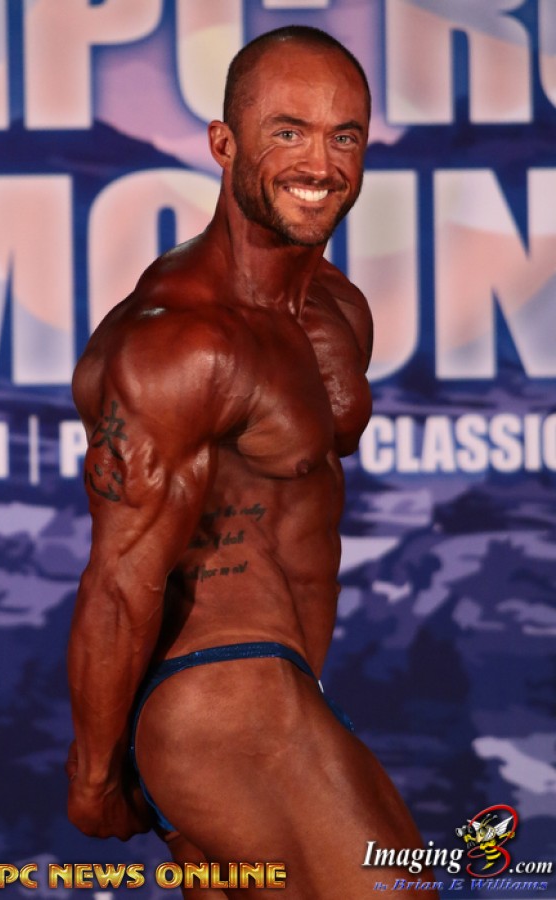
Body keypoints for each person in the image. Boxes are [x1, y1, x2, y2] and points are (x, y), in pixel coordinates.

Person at [67, 25, 437, 899]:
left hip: (284, 688)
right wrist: (94, 779)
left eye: (344, 135)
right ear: (223, 144)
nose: (322, 163)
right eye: (288, 131)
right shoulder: (183, 341)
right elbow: (120, 581)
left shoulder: (335, 308)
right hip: (220, 705)